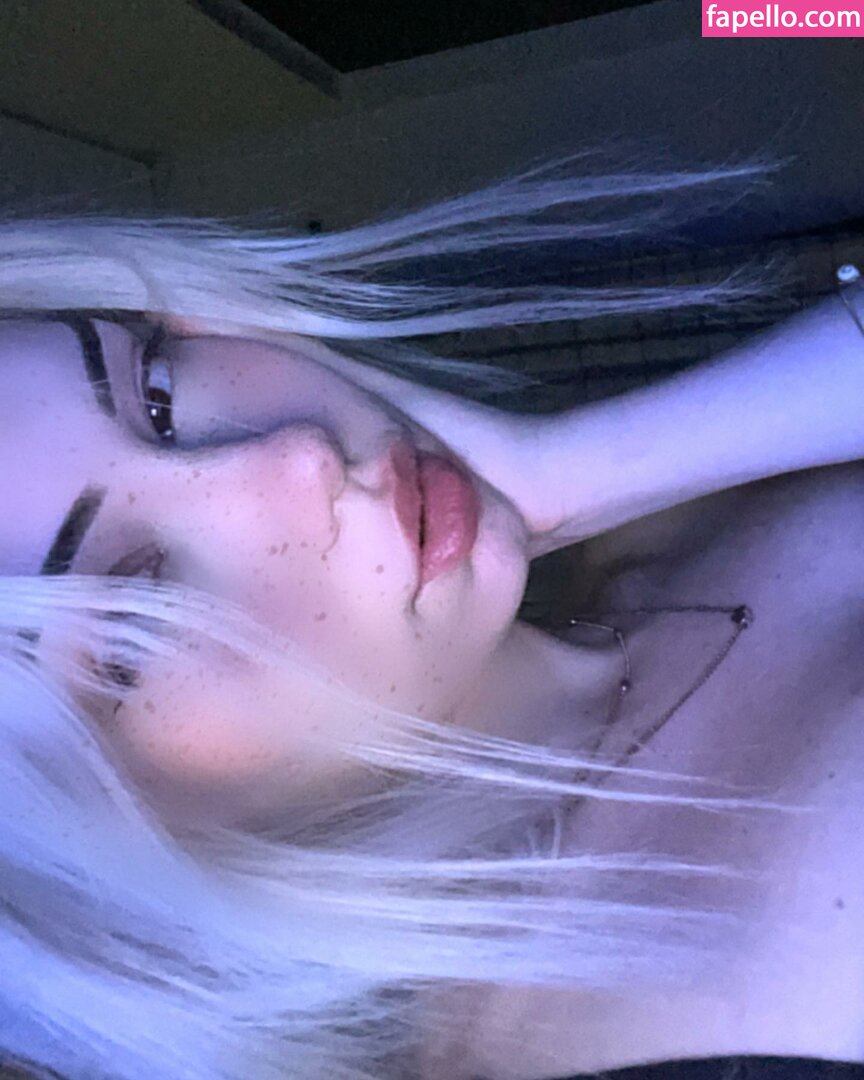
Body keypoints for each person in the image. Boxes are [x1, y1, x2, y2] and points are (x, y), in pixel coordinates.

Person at [1, 148, 863, 1080]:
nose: (299, 459)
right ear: (92, 873)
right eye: (140, 614)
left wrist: (580, 467)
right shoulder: (744, 1007)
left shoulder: (633, 552)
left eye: (156, 391)